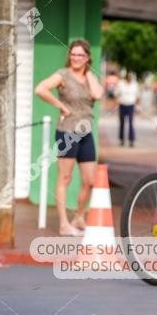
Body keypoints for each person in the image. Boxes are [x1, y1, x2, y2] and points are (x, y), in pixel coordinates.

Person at [35, 39, 104, 236]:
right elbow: (40, 89)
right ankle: (64, 224)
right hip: (67, 131)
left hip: (85, 133)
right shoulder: (63, 74)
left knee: (90, 180)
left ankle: (79, 217)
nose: (76, 58)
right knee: (65, 177)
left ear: (87, 57)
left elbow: (98, 94)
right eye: (73, 54)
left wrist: (88, 72)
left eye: (80, 55)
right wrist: (61, 106)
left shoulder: (90, 76)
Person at [116, 72, 139, 147]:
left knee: (131, 123)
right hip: (122, 105)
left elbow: (138, 96)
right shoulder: (121, 84)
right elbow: (117, 93)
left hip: (131, 105)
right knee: (122, 123)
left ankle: (131, 140)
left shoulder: (135, 85)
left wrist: (136, 105)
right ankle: (122, 140)